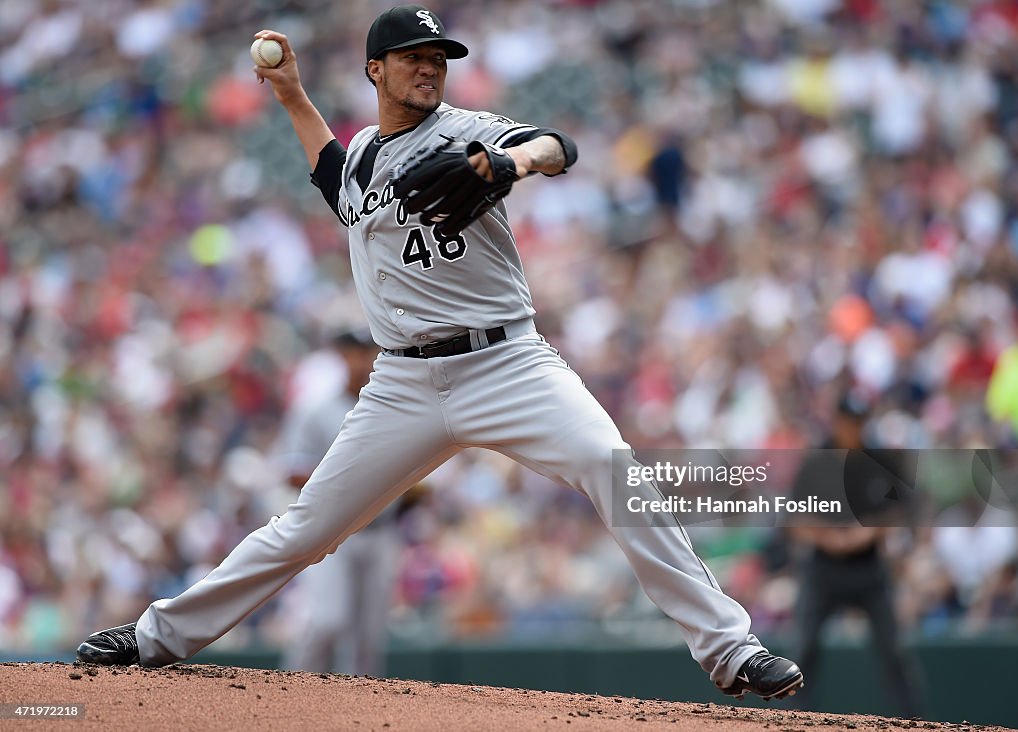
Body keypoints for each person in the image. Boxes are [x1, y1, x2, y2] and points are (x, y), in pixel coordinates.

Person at [76, 5, 803, 701]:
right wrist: (294, 96)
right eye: (413, 59)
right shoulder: (361, 153)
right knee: (305, 529)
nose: (429, 70)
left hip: (507, 364)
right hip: (402, 384)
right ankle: (155, 638)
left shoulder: (467, 131)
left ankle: (730, 648)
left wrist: (507, 166)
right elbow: (336, 180)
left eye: (438, 60)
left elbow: (558, 146)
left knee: (614, 471)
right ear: (375, 70)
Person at [274, 327, 401, 675]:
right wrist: (347, 476)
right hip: (334, 532)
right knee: (327, 621)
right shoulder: (316, 410)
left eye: (369, 351)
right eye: (354, 352)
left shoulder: (392, 408)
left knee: (369, 640)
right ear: (342, 357)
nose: (362, 359)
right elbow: (290, 470)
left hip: (381, 531)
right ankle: (290, 692)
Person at [788, 393, 924, 716]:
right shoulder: (817, 461)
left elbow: (899, 512)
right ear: (837, 421)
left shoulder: (879, 460)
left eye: (859, 423)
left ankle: (912, 719)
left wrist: (865, 532)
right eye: (849, 422)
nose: (853, 429)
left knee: (893, 650)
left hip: (868, 568)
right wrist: (829, 537)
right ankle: (790, 717)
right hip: (824, 567)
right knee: (803, 648)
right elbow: (794, 519)